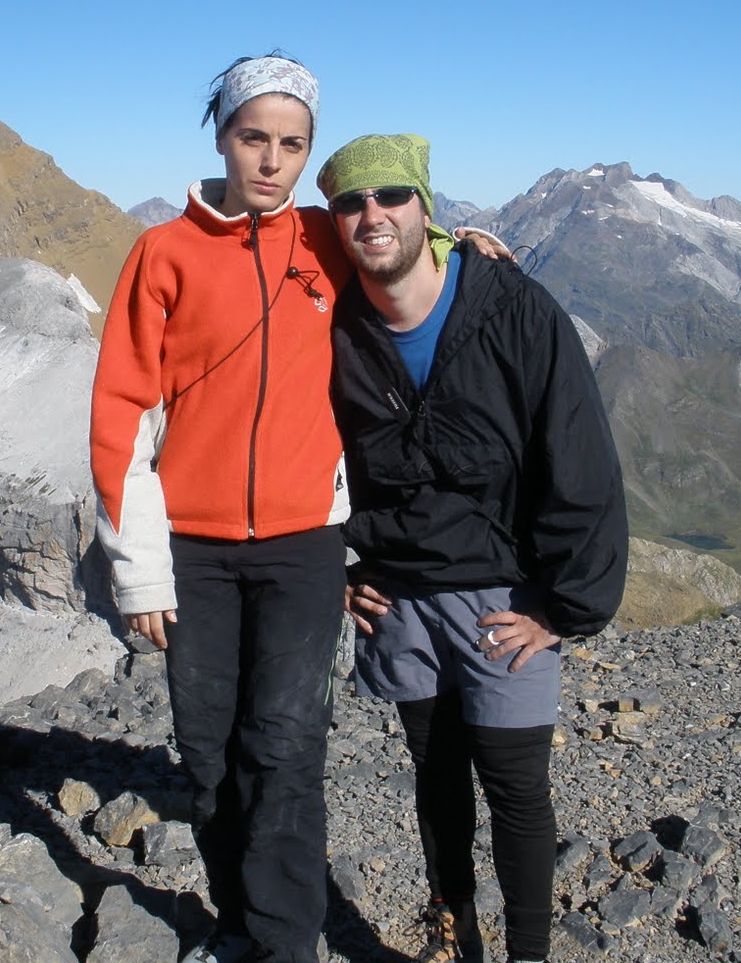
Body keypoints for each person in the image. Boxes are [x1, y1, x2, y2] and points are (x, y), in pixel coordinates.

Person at [318, 133, 628, 963]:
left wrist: (565, 609)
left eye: (390, 196)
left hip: (503, 596)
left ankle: (526, 953)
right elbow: (297, 457)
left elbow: (579, 456)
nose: (371, 215)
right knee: (435, 771)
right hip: (399, 595)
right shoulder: (335, 322)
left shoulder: (514, 309)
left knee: (516, 785)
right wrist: (335, 572)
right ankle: (456, 927)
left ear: (428, 207)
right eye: (350, 202)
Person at [89, 54, 351, 963]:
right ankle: (239, 922)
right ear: (221, 137)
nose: (271, 161)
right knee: (207, 753)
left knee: (283, 747)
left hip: (306, 545)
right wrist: (139, 569)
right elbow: (123, 415)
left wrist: (465, 242)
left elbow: (409, 257)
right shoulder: (163, 253)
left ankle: (285, 948)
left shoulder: (330, 242)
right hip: (194, 550)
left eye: (292, 144)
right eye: (254, 138)